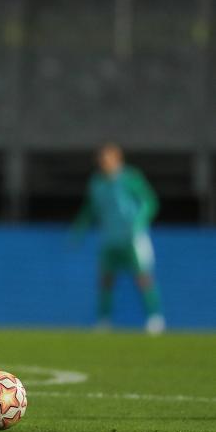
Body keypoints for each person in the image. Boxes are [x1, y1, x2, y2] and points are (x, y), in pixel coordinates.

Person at [73, 143, 164, 334]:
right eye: (101, 160)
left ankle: (155, 319)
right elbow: (90, 208)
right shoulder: (97, 183)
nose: (103, 163)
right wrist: (79, 229)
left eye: (107, 159)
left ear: (117, 159)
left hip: (132, 238)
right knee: (106, 279)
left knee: (143, 278)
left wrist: (138, 223)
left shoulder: (130, 177)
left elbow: (150, 201)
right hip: (110, 238)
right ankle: (103, 321)